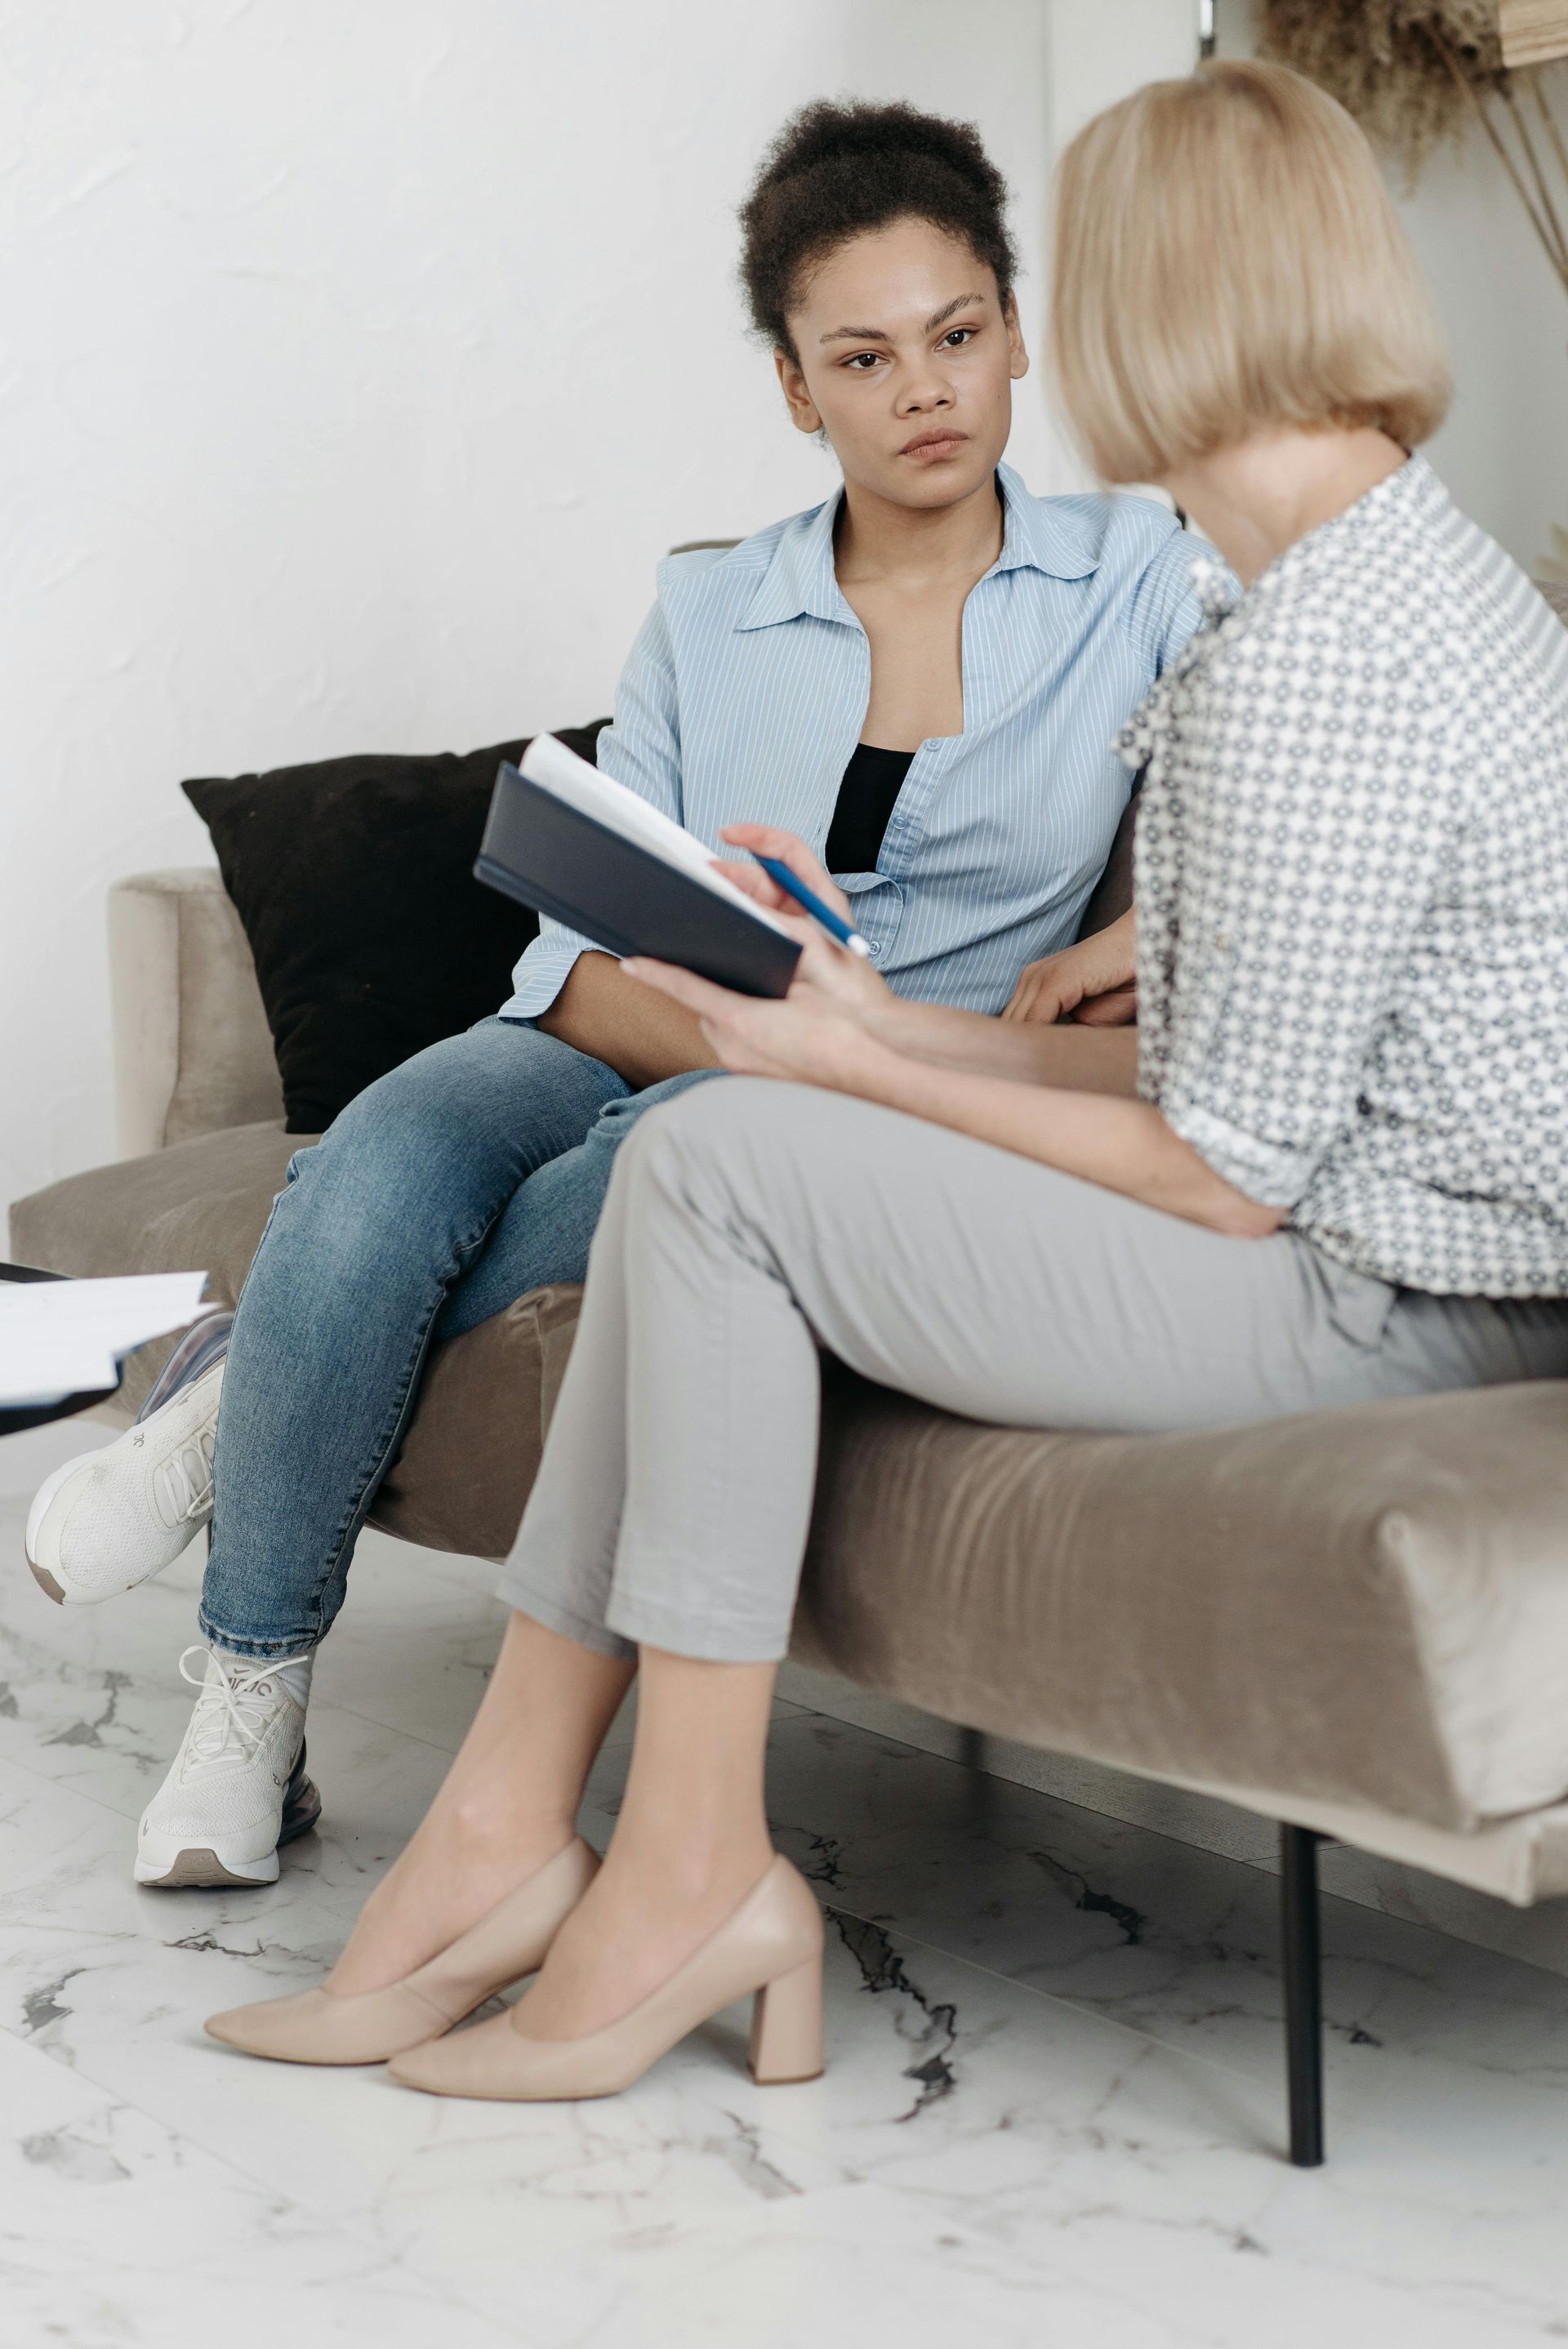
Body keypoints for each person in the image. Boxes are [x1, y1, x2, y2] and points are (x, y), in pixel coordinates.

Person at [204, 57, 1568, 2095]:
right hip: (1358, 1231)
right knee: (707, 1153)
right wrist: (856, 1024)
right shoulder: (1367, 585)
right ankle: (519, 1843)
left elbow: (1222, 1174)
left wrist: (832, 1070)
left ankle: (655, 1870)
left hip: (1402, 1300)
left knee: (723, 1172)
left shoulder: (1306, 654)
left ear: (1106, 320)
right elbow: (1223, 1085)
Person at [25, 99, 1205, 1891]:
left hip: (841, 1084)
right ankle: (250, 1697)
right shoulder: (708, 608)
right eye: (862, 356)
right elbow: (590, 925)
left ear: (1018, 331)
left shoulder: (1143, 578)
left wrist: (1155, 918)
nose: (925, 391)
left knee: (666, 1161)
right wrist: (694, 996)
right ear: (798, 391)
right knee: (386, 1154)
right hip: (602, 1022)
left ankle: (235, 1411)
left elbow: (1296, 770)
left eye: (959, 334)